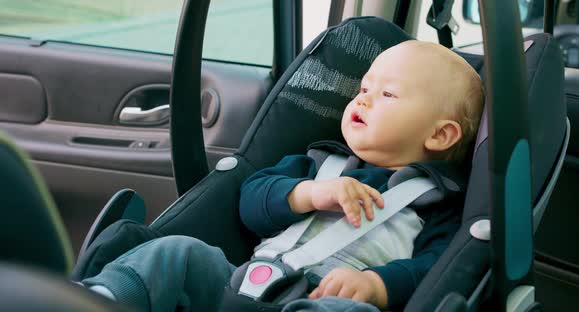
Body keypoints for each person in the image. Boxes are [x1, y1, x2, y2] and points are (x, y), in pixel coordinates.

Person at [80, 40, 484, 312]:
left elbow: (434, 268)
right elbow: (251, 201)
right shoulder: (318, 164)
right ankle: (101, 298)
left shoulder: (435, 202)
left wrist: (378, 286)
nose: (362, 98)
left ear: (439, 134)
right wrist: (307, 194)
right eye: (363, 88)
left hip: (321, 299)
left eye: (388, 94)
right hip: (239, 286)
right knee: (176, 250)